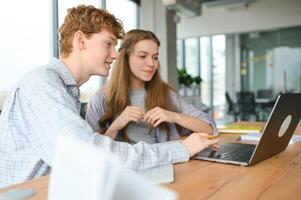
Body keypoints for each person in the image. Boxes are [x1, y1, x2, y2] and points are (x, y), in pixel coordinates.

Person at [0, 5, 218, 188]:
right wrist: (181, 149)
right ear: (81, 41)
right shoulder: (43, 84)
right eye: (108, 44)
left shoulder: (64, 90)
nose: (115, 54)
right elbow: (89, 156)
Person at [86, 29, 218, 144]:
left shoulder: (167, 94)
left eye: (155, 57)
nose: (151, 63)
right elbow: (92, 152)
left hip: (165, 164)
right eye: (142, 56)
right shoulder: (100, 100)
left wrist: (173, 116)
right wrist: (116, 126)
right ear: (124, 58)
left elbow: (209, 128)